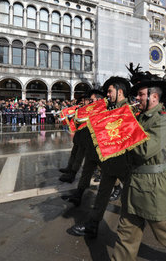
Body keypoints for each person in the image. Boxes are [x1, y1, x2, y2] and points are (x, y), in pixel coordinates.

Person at [111, 73, 166, 261]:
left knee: (162, 228)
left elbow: (144, 150)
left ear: (153, 96)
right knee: (126, 231)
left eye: (140, 94)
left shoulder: (164, 121)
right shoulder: (140, 118)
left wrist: (124, 128)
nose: (136, 98)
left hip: (153, 185)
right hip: (133, 182)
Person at [67, 77, 132, 238]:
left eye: (110, 91)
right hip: (109, 160)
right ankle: (92, 224)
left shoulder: (128, 110)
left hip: (124, 163)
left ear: (120, 92)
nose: (107, 95)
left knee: (136, 203)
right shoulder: (110, 108)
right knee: (102, 195)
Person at [58, 89, 104, 183]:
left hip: (93, 140)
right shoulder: (85, 109)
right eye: (88, 100)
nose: (86, 101)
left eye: (89, 100)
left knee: (98, 161)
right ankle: (72, 173)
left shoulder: (100, 109)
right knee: (78, 156)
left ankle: (104, 177)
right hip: (82, 137)